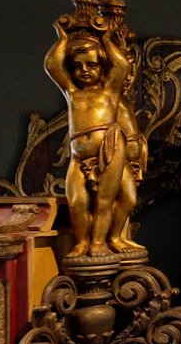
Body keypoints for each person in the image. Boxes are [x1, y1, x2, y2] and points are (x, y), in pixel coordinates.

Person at [44, 21, 146, 258]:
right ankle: (82, 243)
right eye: (78, 66)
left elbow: (121, 65)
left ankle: (100, 241)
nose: (84, 70)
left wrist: (107, 40)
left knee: (105, 201)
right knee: (76, 202)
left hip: (109, 151)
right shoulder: (72, 93)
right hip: (78, 157)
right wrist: (62, 40)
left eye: (91, 65)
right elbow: (52, 66)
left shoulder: (109, 92)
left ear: (102, 68)